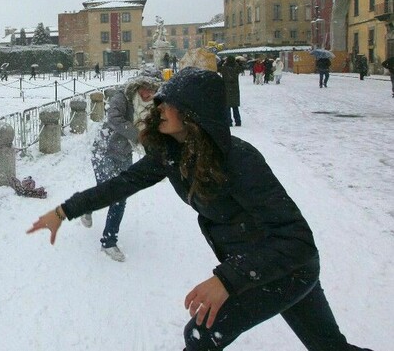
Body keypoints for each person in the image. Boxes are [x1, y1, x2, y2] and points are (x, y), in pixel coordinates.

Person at [27, 68, 373, 351]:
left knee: (201, 334)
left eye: (168, 102)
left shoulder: (239, 159)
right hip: (257, 265)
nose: (158, 107)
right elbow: (121, 184)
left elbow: (297, 240)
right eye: (158, 101)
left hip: (285, 268)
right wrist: (63, 211)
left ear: (194, 111)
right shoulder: (170, 154)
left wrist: (228, 280)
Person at [80, 67, 163, 261]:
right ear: (138, 85)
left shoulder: (153, 106)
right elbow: (115, 119)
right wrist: (138, 135)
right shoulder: (123, 96)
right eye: (144, 87)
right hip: (104, 149)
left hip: (124, 153)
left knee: (120, 194)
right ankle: (94, 217)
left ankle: (108, 240)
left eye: (152, 89)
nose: (147, 93)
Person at [218, 56, 242, 126]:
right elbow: (241, 68)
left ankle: (229, 122)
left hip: (226, 89)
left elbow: (217, 68)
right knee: (235, 107)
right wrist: (239, 63)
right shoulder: (236, 67)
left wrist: (221, 62)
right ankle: (238, 121)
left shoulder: (224, 68)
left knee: (227, 107)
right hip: (235, 89)